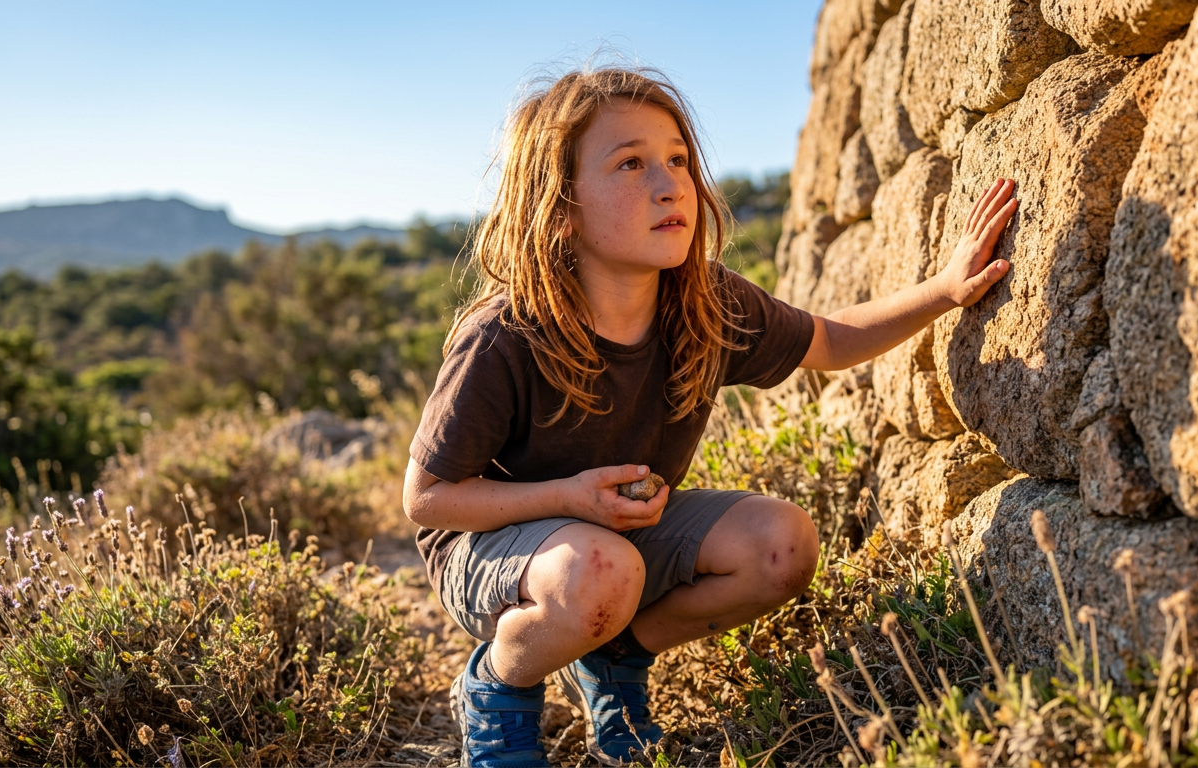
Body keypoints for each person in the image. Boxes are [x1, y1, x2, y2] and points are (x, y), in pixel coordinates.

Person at [402, 65, 1016, 768]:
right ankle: (497, 688)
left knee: (781, 545)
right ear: (561, 205)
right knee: (597, 574)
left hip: (617, 543)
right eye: (631, 164)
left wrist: (946, 287)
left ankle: (614, 657)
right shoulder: (507, 334)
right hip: (492, 548)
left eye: (677, 161)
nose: (670, 185)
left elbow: (834, 340)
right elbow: (427, 500)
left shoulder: (704, 302)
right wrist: (568, 499)